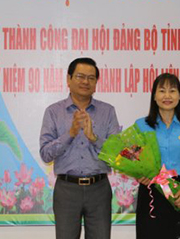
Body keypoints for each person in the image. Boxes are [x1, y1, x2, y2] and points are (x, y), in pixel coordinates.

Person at [40, 57, 120, 239]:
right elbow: (45, 154)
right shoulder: (53, 112)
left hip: (99, 189)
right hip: (67, 189)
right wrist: (71, 133)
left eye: (91, 78)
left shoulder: (107, 111)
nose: (86, 82)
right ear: (68, 79)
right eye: (80, 76)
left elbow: (117, 154)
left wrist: (94, 138)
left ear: (96, 83)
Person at [134, 73, 180, 239]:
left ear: (179, 96)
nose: (167, 96)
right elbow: (131, 158)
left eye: (172, 91)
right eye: (162, 91)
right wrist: (139, 174)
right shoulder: (141, 125)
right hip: (152, 189)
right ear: (154, 96)